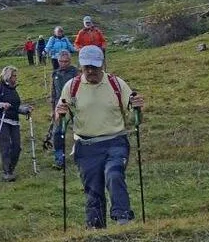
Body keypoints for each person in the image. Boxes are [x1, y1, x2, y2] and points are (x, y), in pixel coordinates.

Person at [54, 45, 145, 228]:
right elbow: (61, 121)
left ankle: (123, 218)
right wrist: (60, 114)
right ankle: (96, 228)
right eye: (86, 67)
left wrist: (137, 106)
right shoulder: (72, 87)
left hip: (115, 141)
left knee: (114, 174)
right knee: (93, 188)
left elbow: (135, 117)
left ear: (102, 65)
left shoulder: (116, 84)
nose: (90, 71)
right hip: (86, 145)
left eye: (94, 67)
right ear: (80, 66)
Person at [0, 66, 32, 182]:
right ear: (7, 76)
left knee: (17, 146)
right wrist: (2, 105)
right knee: (5, 145)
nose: (15, 78)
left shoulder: (14, 90)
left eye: (15, 76)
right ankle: (7, 171)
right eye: (14, 75)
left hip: (14, 120)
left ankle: (11, 168)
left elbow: (15, 107)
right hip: (1, 119)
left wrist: (25, 110)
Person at [49, 50, 79, 168]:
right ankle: (59, 159)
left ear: (70, 61)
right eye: (61, 61)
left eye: (66, 61)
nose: (63, 64)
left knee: (78, 131)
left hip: (74, 106)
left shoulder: (75, 73)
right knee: (57, 133)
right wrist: (53, 109)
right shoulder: (55, 73)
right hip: (59, 106)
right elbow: (53, 92)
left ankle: (79, 155)